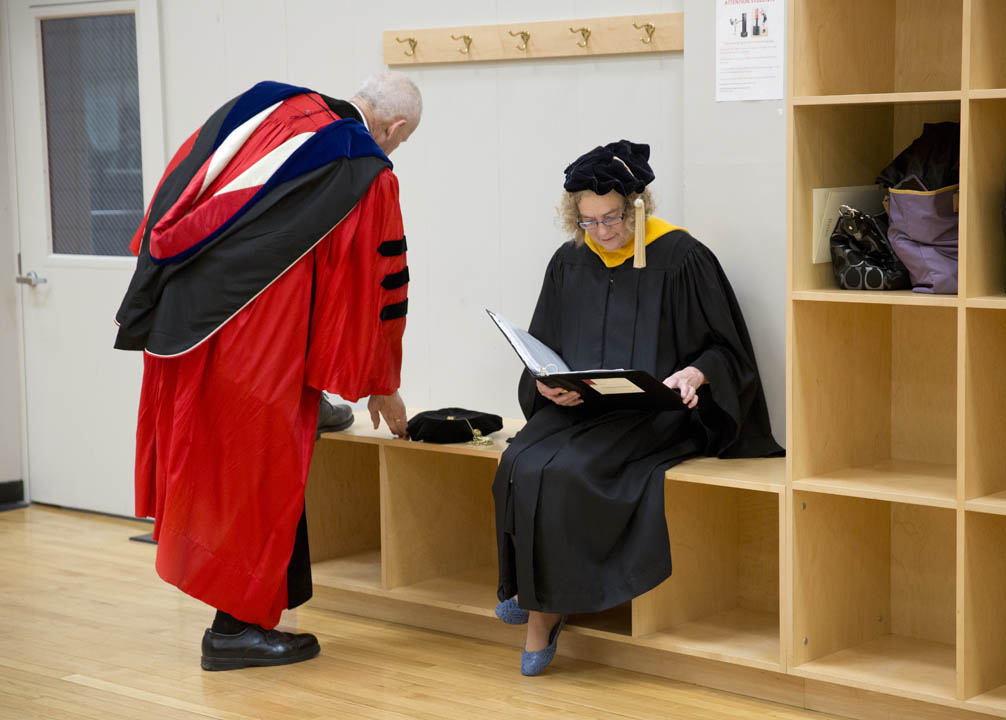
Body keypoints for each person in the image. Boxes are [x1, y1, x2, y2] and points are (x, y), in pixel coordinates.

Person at [113, 72, 422, 670]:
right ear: (395, 128)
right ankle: (233, 632)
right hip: (253, 345)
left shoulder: (270, 106)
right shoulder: (362, 167)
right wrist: (381, 382)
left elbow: (181, 187)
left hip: (186, 320)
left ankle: (257, 607)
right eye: (400, 144)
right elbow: (370, 286)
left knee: (221, 466)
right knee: (252, 474)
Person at [491, 140, 782, 676]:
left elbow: (725, 349)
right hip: (582, 408)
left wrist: (696, 374)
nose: (602, 233)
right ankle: (528, 588)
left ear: (637, 204)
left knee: (573, 470)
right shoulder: (570, 260)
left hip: (656, 413)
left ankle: (545, 610)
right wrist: (547, 386)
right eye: (589, 222)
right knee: (517, 462)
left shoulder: (682, 257)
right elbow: (544, 346)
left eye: (613, 218)